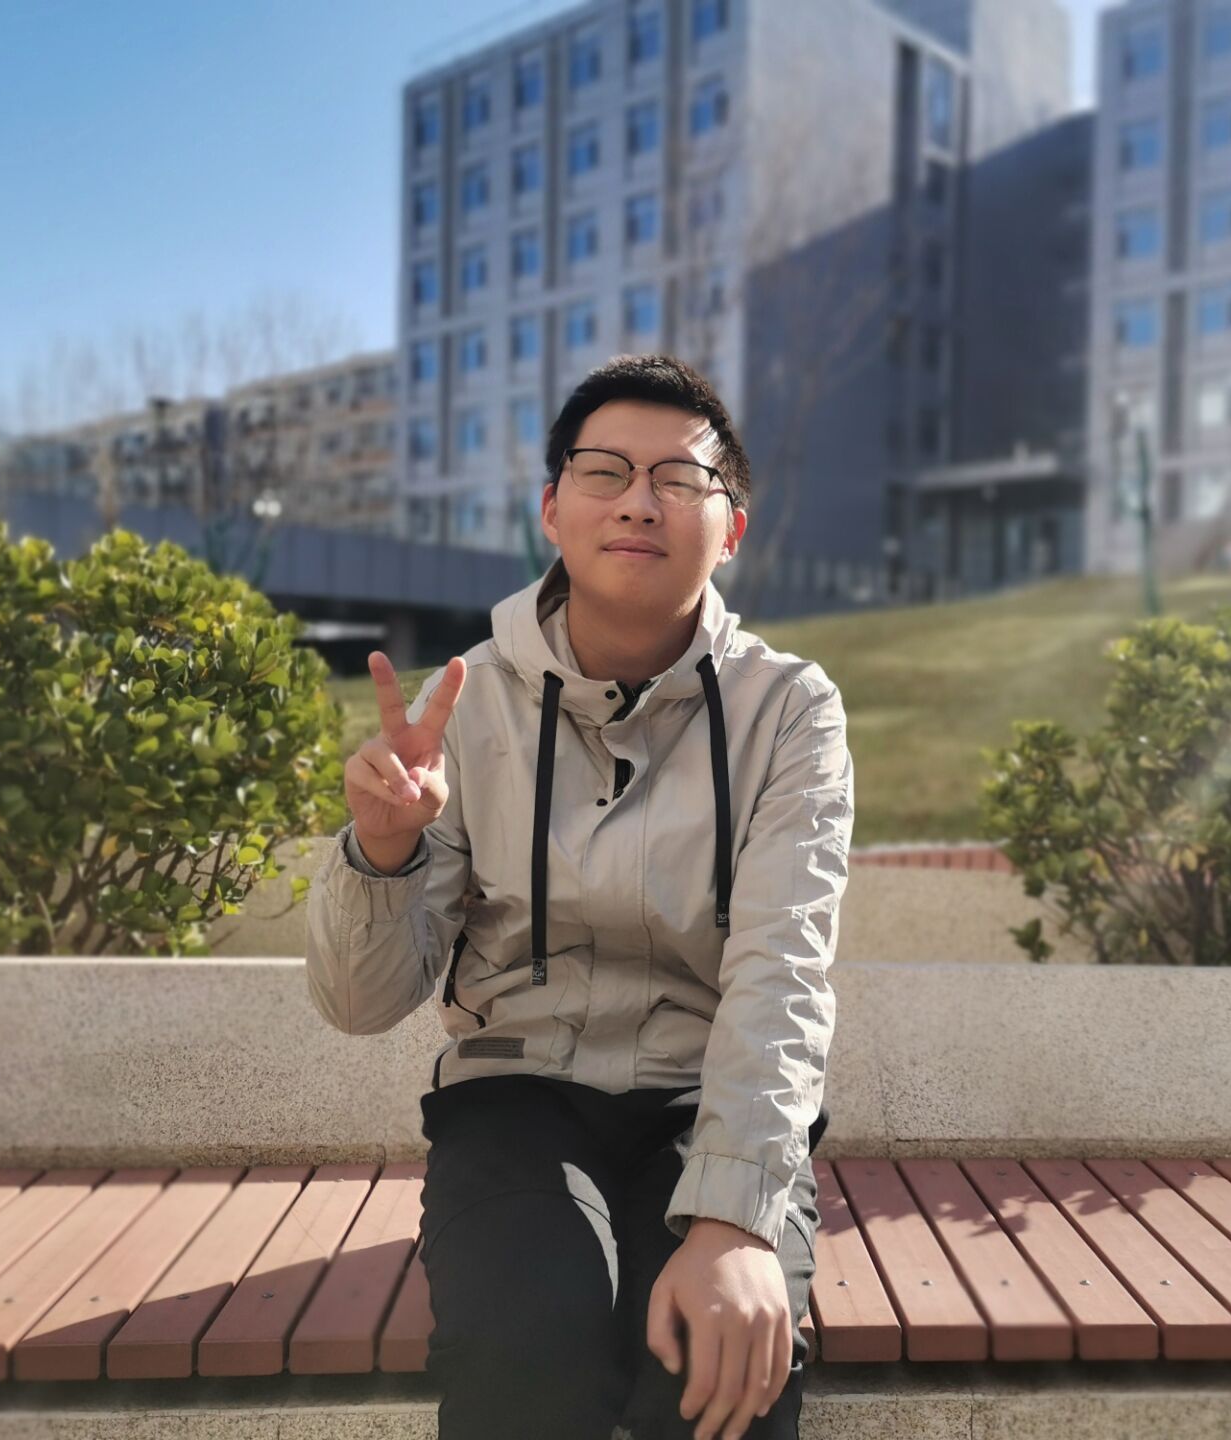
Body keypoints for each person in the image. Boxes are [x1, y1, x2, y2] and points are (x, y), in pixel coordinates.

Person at [305, 353, 854, 1440]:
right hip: (515, 1097)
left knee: (721, 1365)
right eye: (605, 472)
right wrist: (381, 849)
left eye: (680, 479)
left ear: (731, 530)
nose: (640, 502)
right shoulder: (464, 704)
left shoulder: (789, 709)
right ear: (553, 509)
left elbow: (783, 972)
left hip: (711, 1101)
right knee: (531, 1339)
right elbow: (360, 1005)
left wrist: (735, 1223)